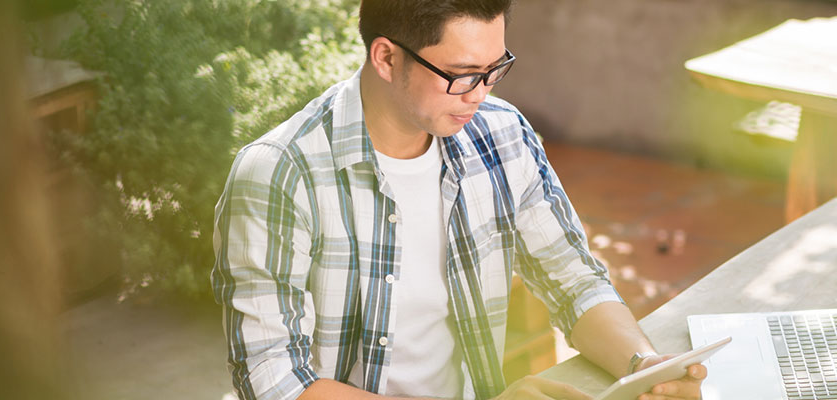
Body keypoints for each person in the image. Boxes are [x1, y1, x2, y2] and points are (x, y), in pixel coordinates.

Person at [211, 1, 705, 399]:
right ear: (386, 57)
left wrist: (645, 367)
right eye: (464, 73)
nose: (480, 94)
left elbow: (573, 279)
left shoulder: (501, 133)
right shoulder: (279, 174)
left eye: (495, 69)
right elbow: (272, 380)